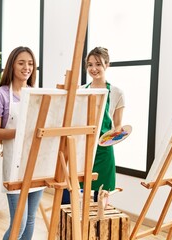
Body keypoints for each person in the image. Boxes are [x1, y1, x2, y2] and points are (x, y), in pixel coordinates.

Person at [0, 46, 44, 240]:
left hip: (36, 164)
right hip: (14, 166)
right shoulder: (1, 94)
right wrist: (23, 132)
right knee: (18, 224)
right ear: (11, 65)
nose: (26, 67)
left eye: (30, 64)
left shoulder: (36, 94)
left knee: (30, 220)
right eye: (21, 63)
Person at [61, 46, 125, 204]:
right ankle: (73, 227)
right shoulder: (81, 91)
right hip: (81, 147)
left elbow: (117, 126)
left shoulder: (117, 92)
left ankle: (98, 226)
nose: (93, 68)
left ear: (107, 65)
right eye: (89, 64)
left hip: (103, 151)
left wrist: (111, 137)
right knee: (73, 192)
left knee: (101, 196)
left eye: (98, 64)